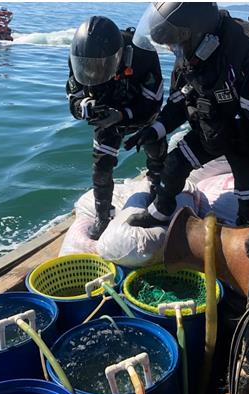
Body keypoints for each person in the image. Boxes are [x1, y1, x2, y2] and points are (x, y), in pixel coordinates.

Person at [125, 2, 249, 228]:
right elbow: (178, 102)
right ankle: (161, 211)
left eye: (174, 41)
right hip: (211, 128)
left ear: (196, 31)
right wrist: (154, 129)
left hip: (247, 135)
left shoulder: (246, 52)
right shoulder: (188, 55)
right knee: (172, 167)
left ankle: (244, 227)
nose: (171, 47)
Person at [67, 16, 165, 239]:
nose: (94, 73)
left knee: (156, 150)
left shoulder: (144, 54)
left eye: (100, 66)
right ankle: (103, 215)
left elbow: (154, 103)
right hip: (106, 111)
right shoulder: (77, 56)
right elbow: (73, 98)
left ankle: (157, 192)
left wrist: (122, 115)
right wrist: (84, 106)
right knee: (101, 167)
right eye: (88, 68)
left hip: (138, 110)